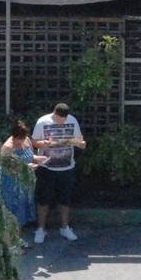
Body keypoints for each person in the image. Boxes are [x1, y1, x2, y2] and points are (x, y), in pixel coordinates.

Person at [33, 102, 86, 244]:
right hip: (47, 167)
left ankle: (64, 227)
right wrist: (45, 143)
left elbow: (79, 139)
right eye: (58, 119)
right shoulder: (43, 121)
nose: (61, 122)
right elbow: (34, 142)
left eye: (63, 119)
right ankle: (40, 229)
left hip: (66, 167)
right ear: (54, 113)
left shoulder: (72, 120)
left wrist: (79, 143)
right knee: (44, 199)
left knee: (65, 199)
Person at [0, 120, 44, 229]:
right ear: (14, 136)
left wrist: (39, 159)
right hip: (11, 184)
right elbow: (6, 168)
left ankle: (19, 237)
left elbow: (30, 156)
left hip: (25, 182)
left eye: (23, 138)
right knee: (13, 212)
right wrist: (27, 167)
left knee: (22, 210)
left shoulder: (27, 140)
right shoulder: (7, 148)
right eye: (19, 139)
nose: (22, 141)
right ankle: (12, 240)